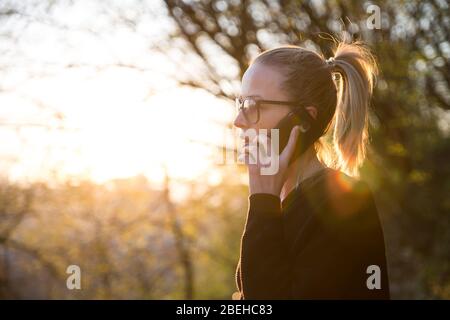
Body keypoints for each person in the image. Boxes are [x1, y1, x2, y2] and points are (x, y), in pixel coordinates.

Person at [232, 42, 390, 299]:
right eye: (240, 103)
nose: (238, 121)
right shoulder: (279, 200)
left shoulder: (344, 201)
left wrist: (262, 201)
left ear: (303, 119)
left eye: (254, 105)